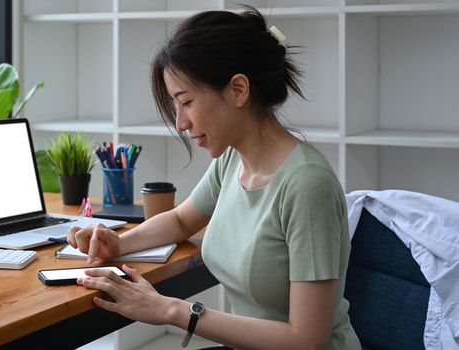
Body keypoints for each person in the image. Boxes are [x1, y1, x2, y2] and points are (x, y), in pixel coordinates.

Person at [67, 7, 361, 350]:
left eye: (186, 102)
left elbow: (307, 340)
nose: (180, 122)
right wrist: (119, 244)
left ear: (238, 89)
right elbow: (180, 220)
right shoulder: (234, 159)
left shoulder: (307, 185)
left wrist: (170, 309)